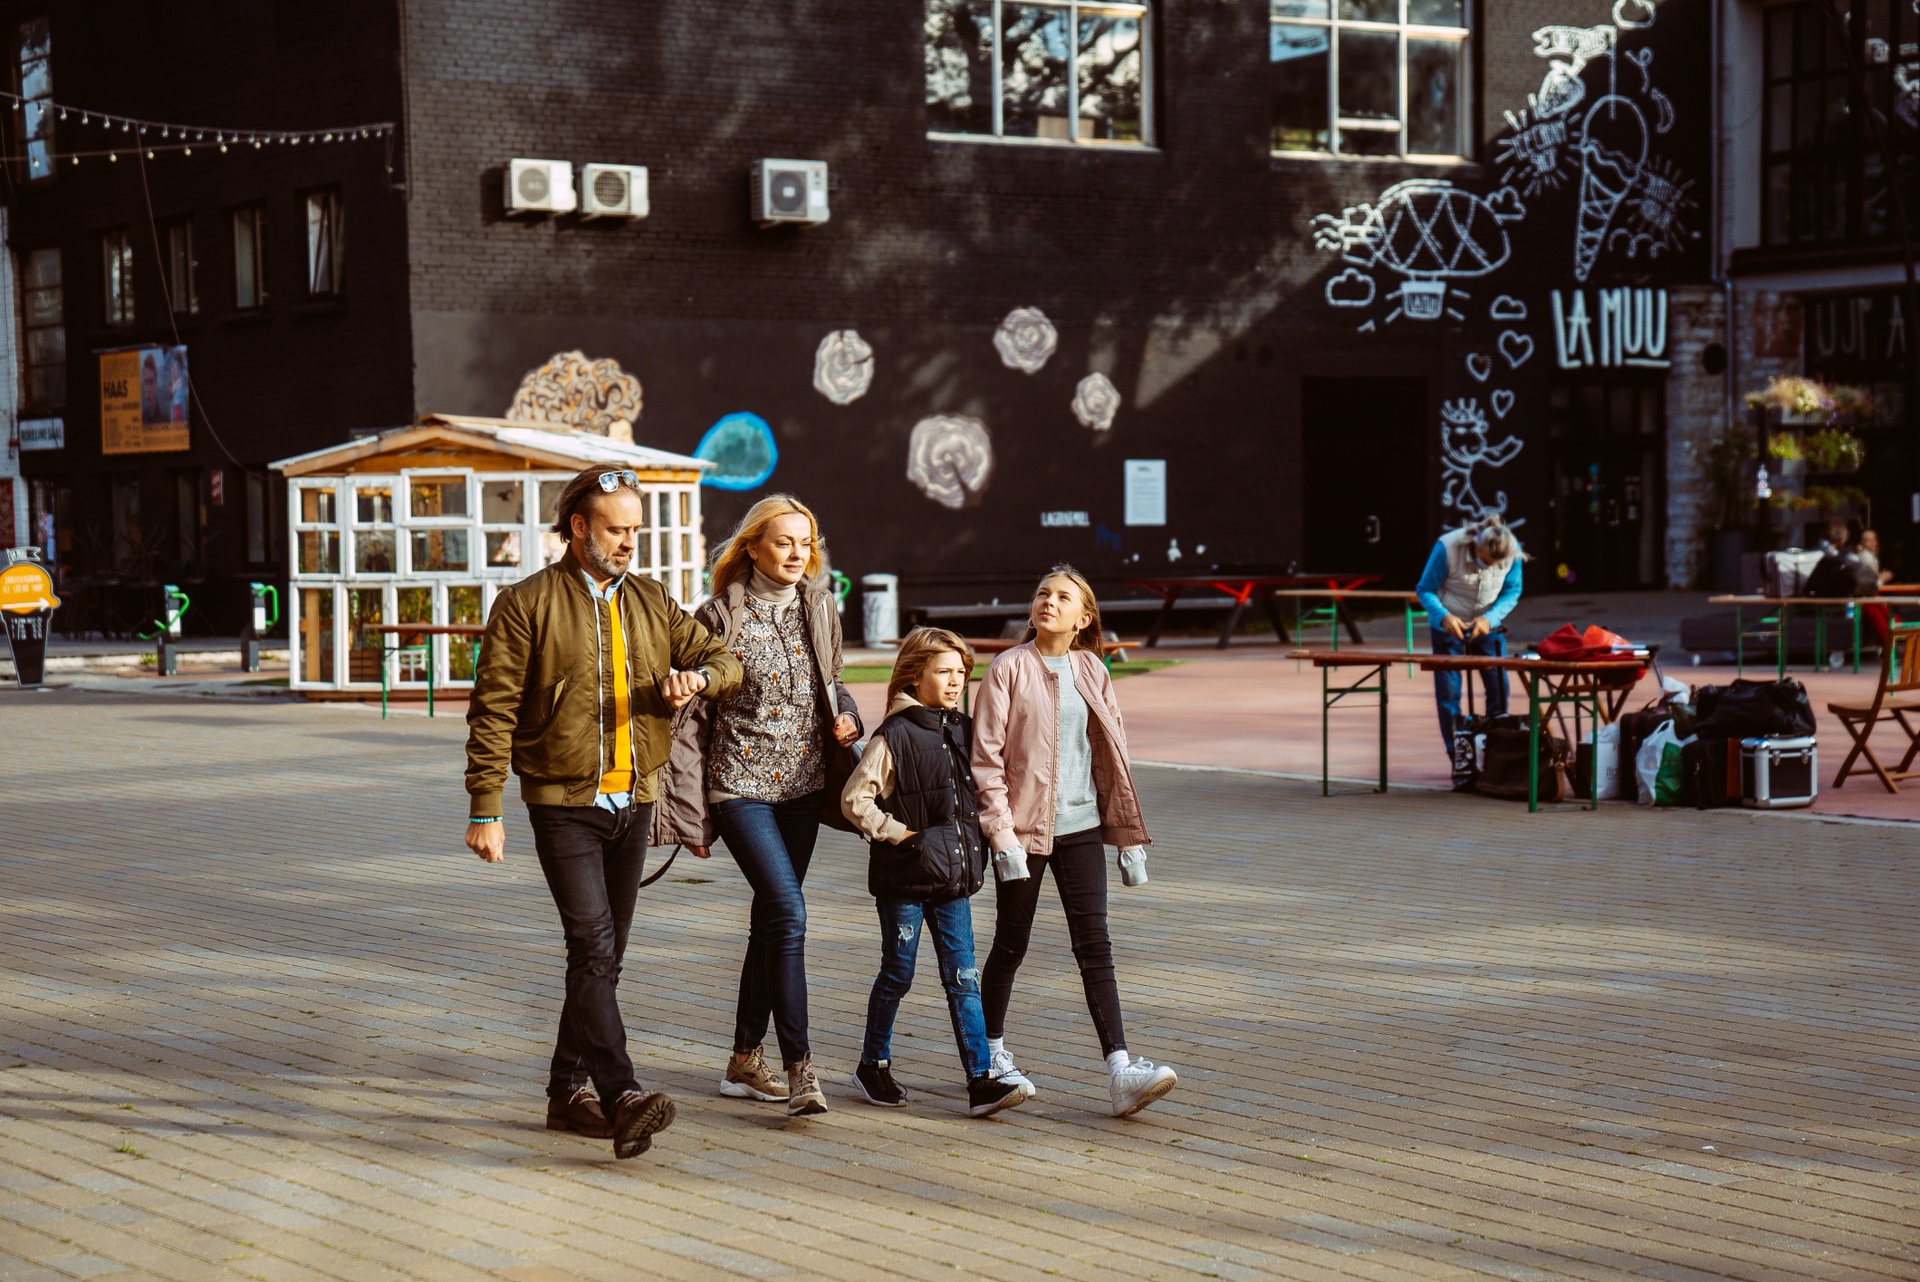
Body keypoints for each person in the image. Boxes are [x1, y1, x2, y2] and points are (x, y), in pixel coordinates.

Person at [464, 465, 742, 1161]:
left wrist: (698, 677)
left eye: (635, 531)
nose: (629, 543)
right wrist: (485, 807)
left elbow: (722, 658)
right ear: (579, 527)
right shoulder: (525, 604)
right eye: (616, 530)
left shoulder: (650, 600)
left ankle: (565, 1095)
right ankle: (621, 1094)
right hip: (564, 804)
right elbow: (492, 710)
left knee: (604, 959)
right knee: (591, 949)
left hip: (635, 802)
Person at [659, 495, 861, 1118]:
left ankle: (744, 1060)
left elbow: (834, 684)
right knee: (790, 911)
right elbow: (690, 723)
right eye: (784, 542)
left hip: (801, 788)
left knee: (772, 921)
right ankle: (802, 1068)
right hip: (739, 786)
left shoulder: (820, 607)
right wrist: (689, 816)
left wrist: (849, 715)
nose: (798, 553)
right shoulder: (717, 617)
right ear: (752, 547)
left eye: (806, 542)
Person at [972, 565, 1179, 1119]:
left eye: (1063, 597)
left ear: (1084, 616)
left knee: (1095, 946)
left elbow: (1113, 753)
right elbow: (984, 761)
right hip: (1024, 833)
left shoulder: (1092, 668)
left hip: (1082, 829)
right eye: (1042, 593)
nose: (1048, 602)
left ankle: (1120, 1071)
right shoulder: (1008, 669)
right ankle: (987, 1056)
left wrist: (1127, 835)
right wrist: (1001, 833)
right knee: (1011, 944)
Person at [841, 628, 1027, 1118]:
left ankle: (981, 1080)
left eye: (961, 673)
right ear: (913, 675)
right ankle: (872, 1064)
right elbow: (854, 799)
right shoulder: (894, 736)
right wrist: (898, 834)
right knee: (898, 973)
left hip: (954, 883)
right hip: (904, 879)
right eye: (943, 671)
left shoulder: (965, 730)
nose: (954, 681)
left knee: (963, 976)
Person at [1415, 514, 1525, 761]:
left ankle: (1496, 752)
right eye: (1484, 562)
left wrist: (1490, 619)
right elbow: (1425, 589)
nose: (1488, 568)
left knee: (1499, 687)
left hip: (1487, 626)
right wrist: (1444, 617)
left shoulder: (1512, 551)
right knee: (1449, 693)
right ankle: (1459, 756)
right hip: (1448, 626)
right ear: (1476, 546)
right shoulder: (1447, 547)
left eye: (1495, 565)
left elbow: (1513, 591)